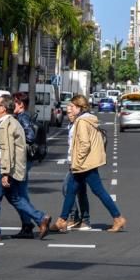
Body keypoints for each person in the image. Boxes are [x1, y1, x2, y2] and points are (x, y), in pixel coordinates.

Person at [0, 95, 51, 242]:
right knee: (15, 197)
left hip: (3, 167)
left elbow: (6, 150)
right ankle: (40, 218)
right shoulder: (12, 122)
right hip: (5, 166)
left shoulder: (5, 125)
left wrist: (4, 172)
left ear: (3, 108)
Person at [70, 94, 126, 233]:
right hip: (87, 162)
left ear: (79, 107)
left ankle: (117, 217)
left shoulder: (82, 121)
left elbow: (84, 144)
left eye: (72, 106)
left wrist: (78, 160)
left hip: (84, 164)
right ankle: (66, 219)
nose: (70, 109)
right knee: (73, 189)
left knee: (94, 190)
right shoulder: (88, 119)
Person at [50, 98, 91, 233]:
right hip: (75, 162)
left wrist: (76, 160)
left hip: (79, 163)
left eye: (71, 111)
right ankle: (82, 219)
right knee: (80, 191)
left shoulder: (79, 124)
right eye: (67, 112)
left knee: (67, 188)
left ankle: (76, 218)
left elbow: (83, 144)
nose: (69, 114)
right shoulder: (72, 125)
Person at [10, 92, 39, 239]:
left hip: (23, 160)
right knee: (20, 194)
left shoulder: (23, 118)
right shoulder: (20, 117)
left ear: (21, 104)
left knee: (19, 194)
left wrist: (16, 141)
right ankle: (28, 225)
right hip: (24, 160)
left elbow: (30, 136)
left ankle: (35, 221)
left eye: (14, 103)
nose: (11, 105)